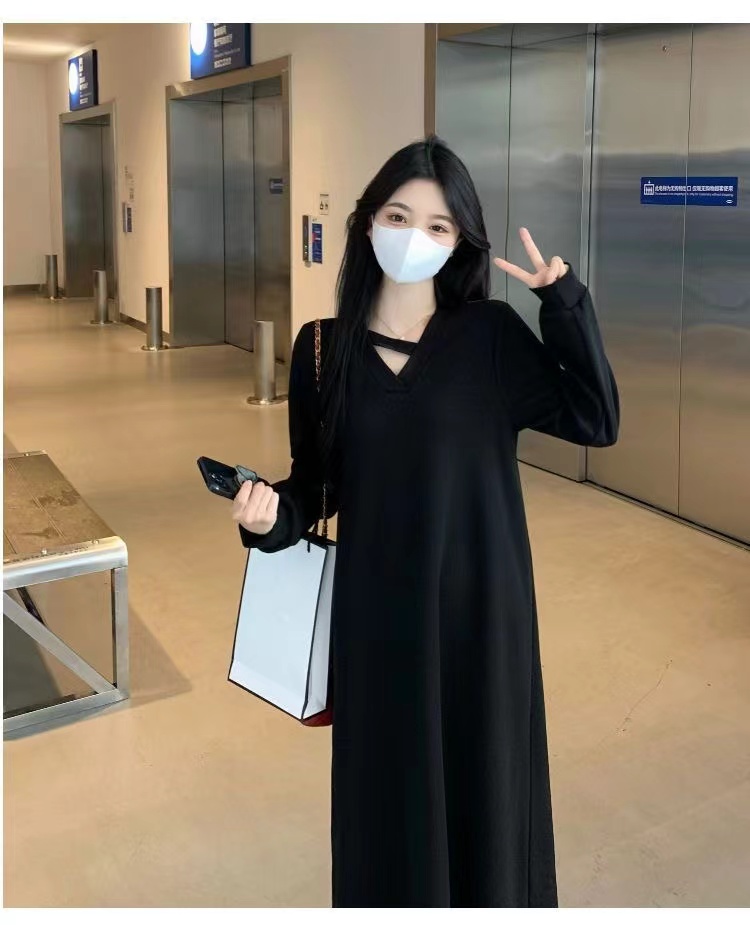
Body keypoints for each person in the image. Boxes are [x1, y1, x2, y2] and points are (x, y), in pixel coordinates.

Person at [231, 135, 620, 908]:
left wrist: (564, 302)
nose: (416, 237)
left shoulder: (490, 337)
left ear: (459, 241)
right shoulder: (321, 351)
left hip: (483, 622)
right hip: (379, 627)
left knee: (487, 803)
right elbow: (317, 485)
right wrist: (268, 518)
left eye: (439, 225)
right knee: (389, 811)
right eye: (400, 216)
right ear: (368, 222)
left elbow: (595, 418)